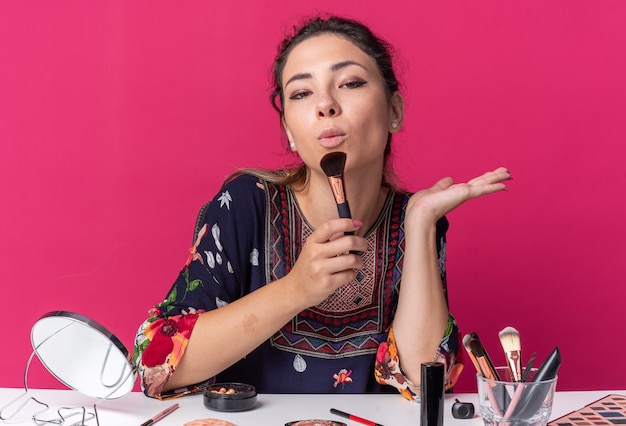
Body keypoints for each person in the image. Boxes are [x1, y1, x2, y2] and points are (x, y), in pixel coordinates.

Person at [134, 15, 511, 401]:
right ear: (288, 132)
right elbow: (155, 366)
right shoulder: (245, 205)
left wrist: (419, 223)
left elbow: (423, 384)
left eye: (349, 83)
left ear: (394, 110)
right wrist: (296, 289)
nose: (326, 106)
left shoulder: (417, 219)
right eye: (301, 94)